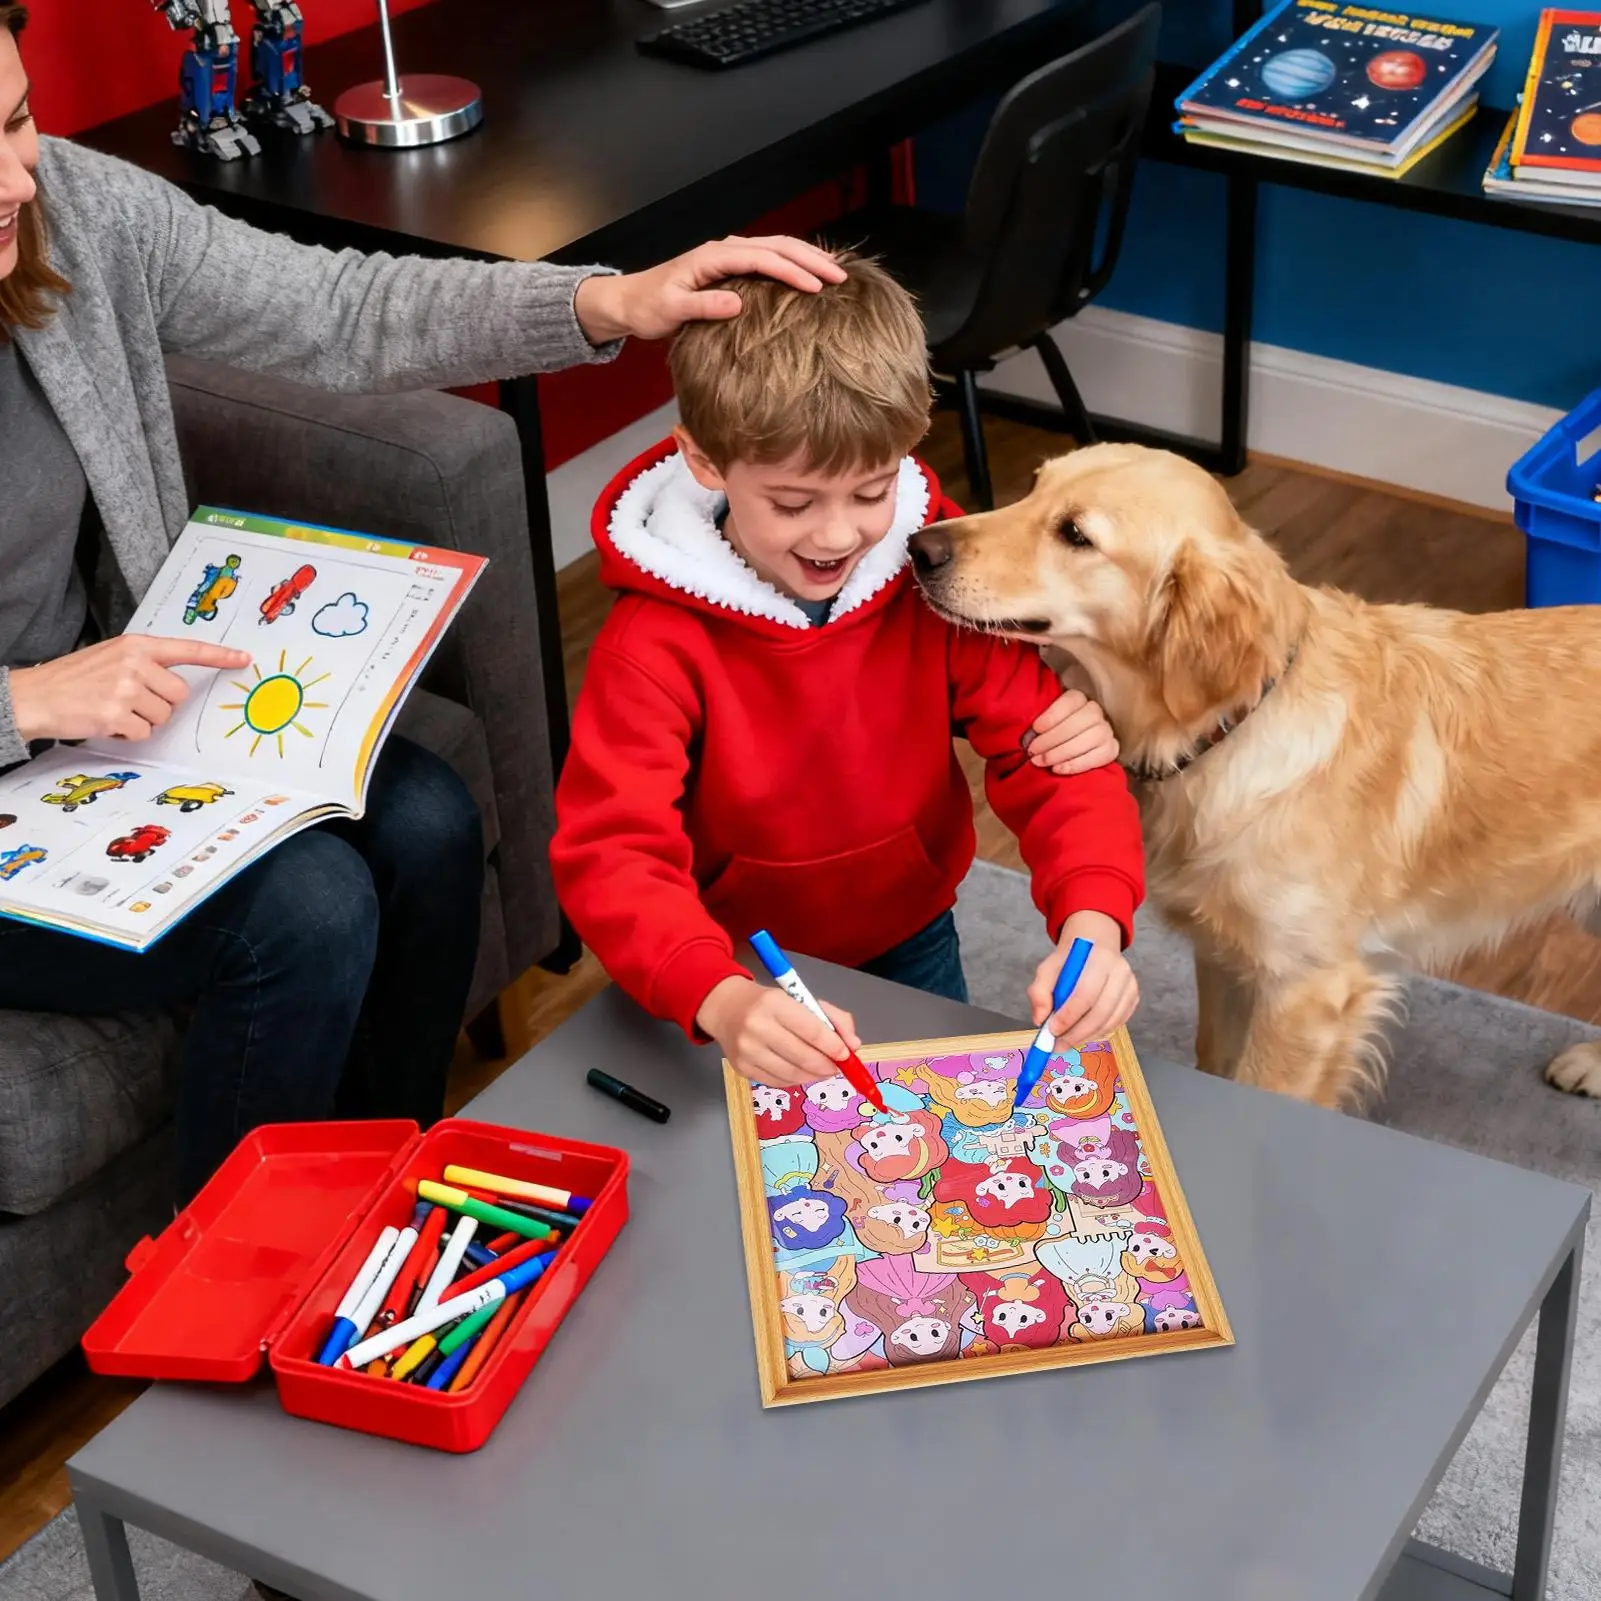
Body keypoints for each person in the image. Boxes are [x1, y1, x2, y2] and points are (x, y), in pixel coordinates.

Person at [0, 0, 853, 1205]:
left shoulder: (73, 211)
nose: (19, 173)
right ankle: (227, 1294)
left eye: (21, 118)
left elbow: (335, 306)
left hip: (101, 736)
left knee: (429, 820)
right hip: (35, 735)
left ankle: (381, 1204)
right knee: (303, 908)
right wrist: (26, 698)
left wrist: (605, 304)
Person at [550, 253, 1145, 1089]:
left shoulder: (931, 578)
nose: (837, 536)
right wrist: (717, 998)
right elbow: (613, 856)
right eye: (793, 504)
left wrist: (1095, 924)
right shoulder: (648, 649)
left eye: (871, 491)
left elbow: (1052, 759)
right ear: (706, 462)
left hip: (911, 938)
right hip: (720, 969)